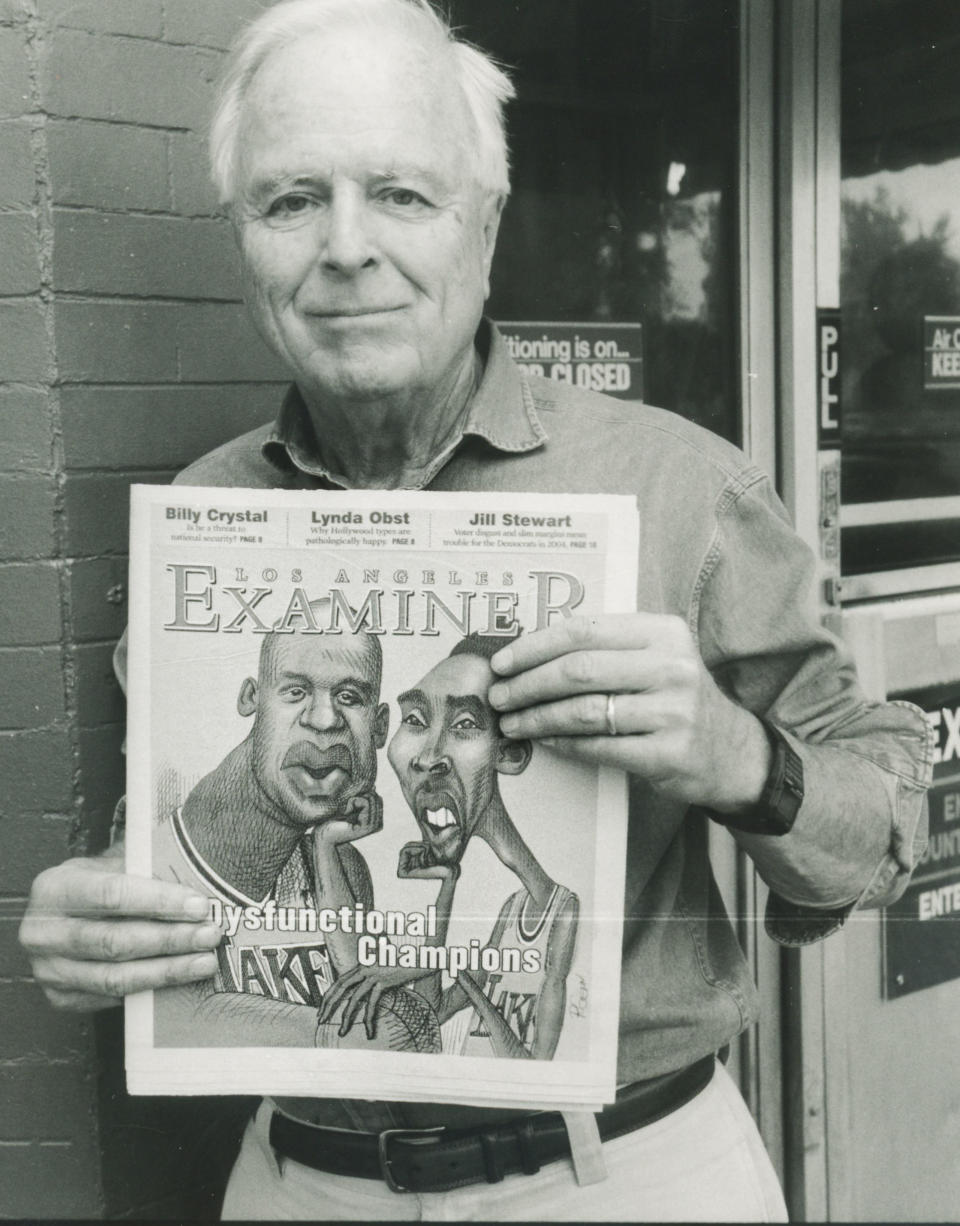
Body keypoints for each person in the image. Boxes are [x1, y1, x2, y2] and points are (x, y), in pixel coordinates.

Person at [18, 0, 932, 1219]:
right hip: (303, 1180)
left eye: (401, 194)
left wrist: (735, 754)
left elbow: (881, 839)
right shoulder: (207, 507)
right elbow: (179, 847)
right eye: (292, 200)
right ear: (243, 242)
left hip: (626, 1172)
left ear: (485, 226)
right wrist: (103, 918)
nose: (345, 247)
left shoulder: (683, 487)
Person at [151, 606, 440, 1054]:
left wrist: (326, 847)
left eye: (349, 697)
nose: (324, 720)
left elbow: (357, 994)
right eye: (295, 691)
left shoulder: (339, 863)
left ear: (380, 727)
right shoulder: (168, 852)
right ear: (252, 699)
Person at [322, 631, 579, 1062]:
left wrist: (407, 971)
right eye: (417, 720)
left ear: (510, 755)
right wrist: (446, 884)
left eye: (464, 725)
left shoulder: (562, 909)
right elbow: (437, 1006)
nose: (428, 757)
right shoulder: (512, 908)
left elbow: (535, 1064)